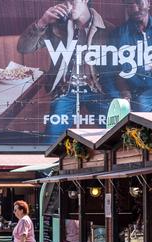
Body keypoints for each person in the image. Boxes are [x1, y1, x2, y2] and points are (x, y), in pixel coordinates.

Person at [17, 0, 112, 140]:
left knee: (119, 133)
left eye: (72, 1)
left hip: (96, 90)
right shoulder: (56, 27)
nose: (68, 5)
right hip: (66, 90)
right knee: (50, 142)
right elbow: (23, 48)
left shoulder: (108, 29)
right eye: (65, 2)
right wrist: (43, 22)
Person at [110, 0, 152, 111]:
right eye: (130, 5)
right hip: (141, 94)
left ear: (148, 3)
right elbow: (115, 71)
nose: (135, 9)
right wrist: (126, 95)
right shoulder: (118, 35)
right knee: (143, 123)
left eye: (139, 3)